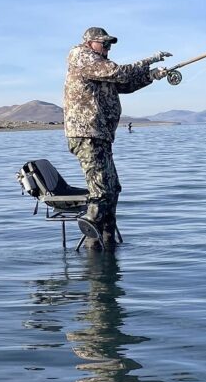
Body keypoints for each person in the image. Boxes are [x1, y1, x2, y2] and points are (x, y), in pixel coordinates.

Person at [64, 27, 170, 250]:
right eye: (104, 44)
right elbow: (118, 72)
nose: (108, 48)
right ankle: (90, 225)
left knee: (113, 188)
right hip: (87, 133)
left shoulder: (98, 67)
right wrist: (150, 59)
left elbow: (124, 85)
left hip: (101, 134)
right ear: (90, 43)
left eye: (110, 45)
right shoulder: (81, 55)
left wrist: (151, 76)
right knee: (101, 189)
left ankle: (107, 240)